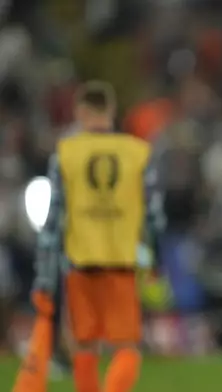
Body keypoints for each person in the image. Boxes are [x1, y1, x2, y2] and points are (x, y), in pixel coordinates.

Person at [27, 81, 165, 392]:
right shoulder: (137, 153)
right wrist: (156, 259)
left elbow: (53, 224)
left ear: (80, 112)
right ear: (112, 111)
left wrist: (45, 276)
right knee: (128, 347)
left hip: (80, 263)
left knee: (85, 347)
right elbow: (155, 216)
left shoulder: (66, 152)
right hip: (122, 262)